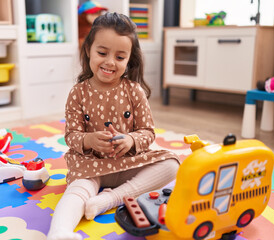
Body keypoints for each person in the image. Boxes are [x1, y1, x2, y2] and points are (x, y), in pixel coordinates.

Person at [47, 12, 180, 240]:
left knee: (172, 165)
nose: (110, 62)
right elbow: (71, 136)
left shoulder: (134, 91)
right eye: (102, 53)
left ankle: (111, 199)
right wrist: (88, 140)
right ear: (88, 50)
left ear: (130, 59)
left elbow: (148, 132)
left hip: (128, 162)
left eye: (120, 57)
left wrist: (130, 140)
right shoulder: (78, 93)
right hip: (91, 166)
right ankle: (59, 233)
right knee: (77, 192)